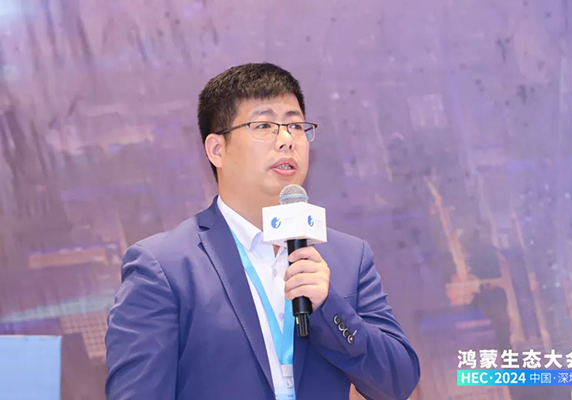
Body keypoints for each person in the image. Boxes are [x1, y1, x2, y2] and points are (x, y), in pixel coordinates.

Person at [105, 63, 420, 400]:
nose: (286, 140)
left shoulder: (347, 257)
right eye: (264, 126)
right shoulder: (165, 267)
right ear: (217, 150)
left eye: (296, 126)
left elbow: (397, 382)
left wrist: (329, 307)